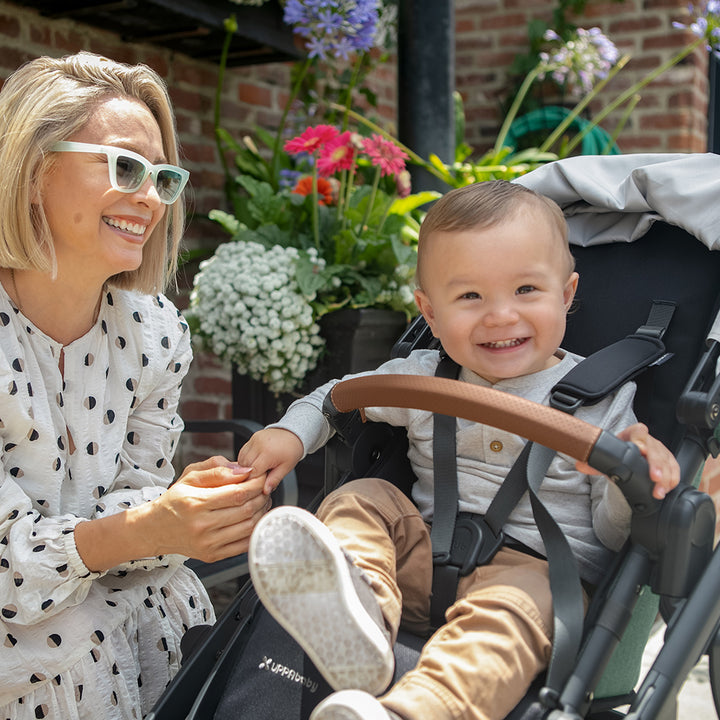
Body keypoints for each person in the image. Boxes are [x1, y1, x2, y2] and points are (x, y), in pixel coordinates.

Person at [238, 180, 680, 720]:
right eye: (470, 296)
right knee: (364, 496)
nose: (499, 316)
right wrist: (292, 432)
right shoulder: (421, 377)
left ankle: (419, 710)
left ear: (566, 295)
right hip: (421, 553)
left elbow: (614, 535)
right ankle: (358, 614)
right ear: (428, 310)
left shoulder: (604, 402)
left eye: (526, 291)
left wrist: (621, 476)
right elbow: (338, 396)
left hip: (536, 576)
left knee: (508, 618)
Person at [0, 52, 270, 719]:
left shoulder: (153, 332)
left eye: (162, 177)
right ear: (35, 172)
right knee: (71, 636)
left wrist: (183, 510)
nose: (149, 197)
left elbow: (137, 508)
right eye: (124, 166)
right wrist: (149, 525)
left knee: (169, 597)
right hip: (21, 626)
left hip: (109, 594)